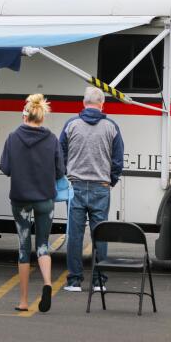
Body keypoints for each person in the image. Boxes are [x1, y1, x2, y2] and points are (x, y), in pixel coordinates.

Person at [0, 93, 64, 313]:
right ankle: (47, 283)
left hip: (21, 201)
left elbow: (6, 168)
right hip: (45, 199)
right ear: (42, 117)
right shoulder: (52, 139)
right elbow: (60, 171)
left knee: (24, 248)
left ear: (24, 115)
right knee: (43, 245)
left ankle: (24, 301)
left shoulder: (12, 137)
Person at [60, 86, 124, 292]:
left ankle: (74, 281)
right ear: (102, 104)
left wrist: (65, 175)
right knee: (100, 235)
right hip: (101, 187)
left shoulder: (71, 125)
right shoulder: (111, 127)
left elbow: (60, 154)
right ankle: (99, 282)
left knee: (75, 235)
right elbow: (117, 161)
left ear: (83, 102)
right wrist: (110, 181)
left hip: (76, 187)